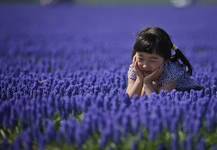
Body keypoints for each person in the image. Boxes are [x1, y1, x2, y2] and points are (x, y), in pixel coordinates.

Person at [126, 27, 203, 98]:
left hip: (191, 96)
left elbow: (160, 101)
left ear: (166, 60)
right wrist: (139, 79)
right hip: (154, 90)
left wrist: (147, 82)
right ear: (135, 56)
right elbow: (129, 98)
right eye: (141, 58)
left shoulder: (171, 72)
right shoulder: (135, 68)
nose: (145, 65)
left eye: (152, 60)